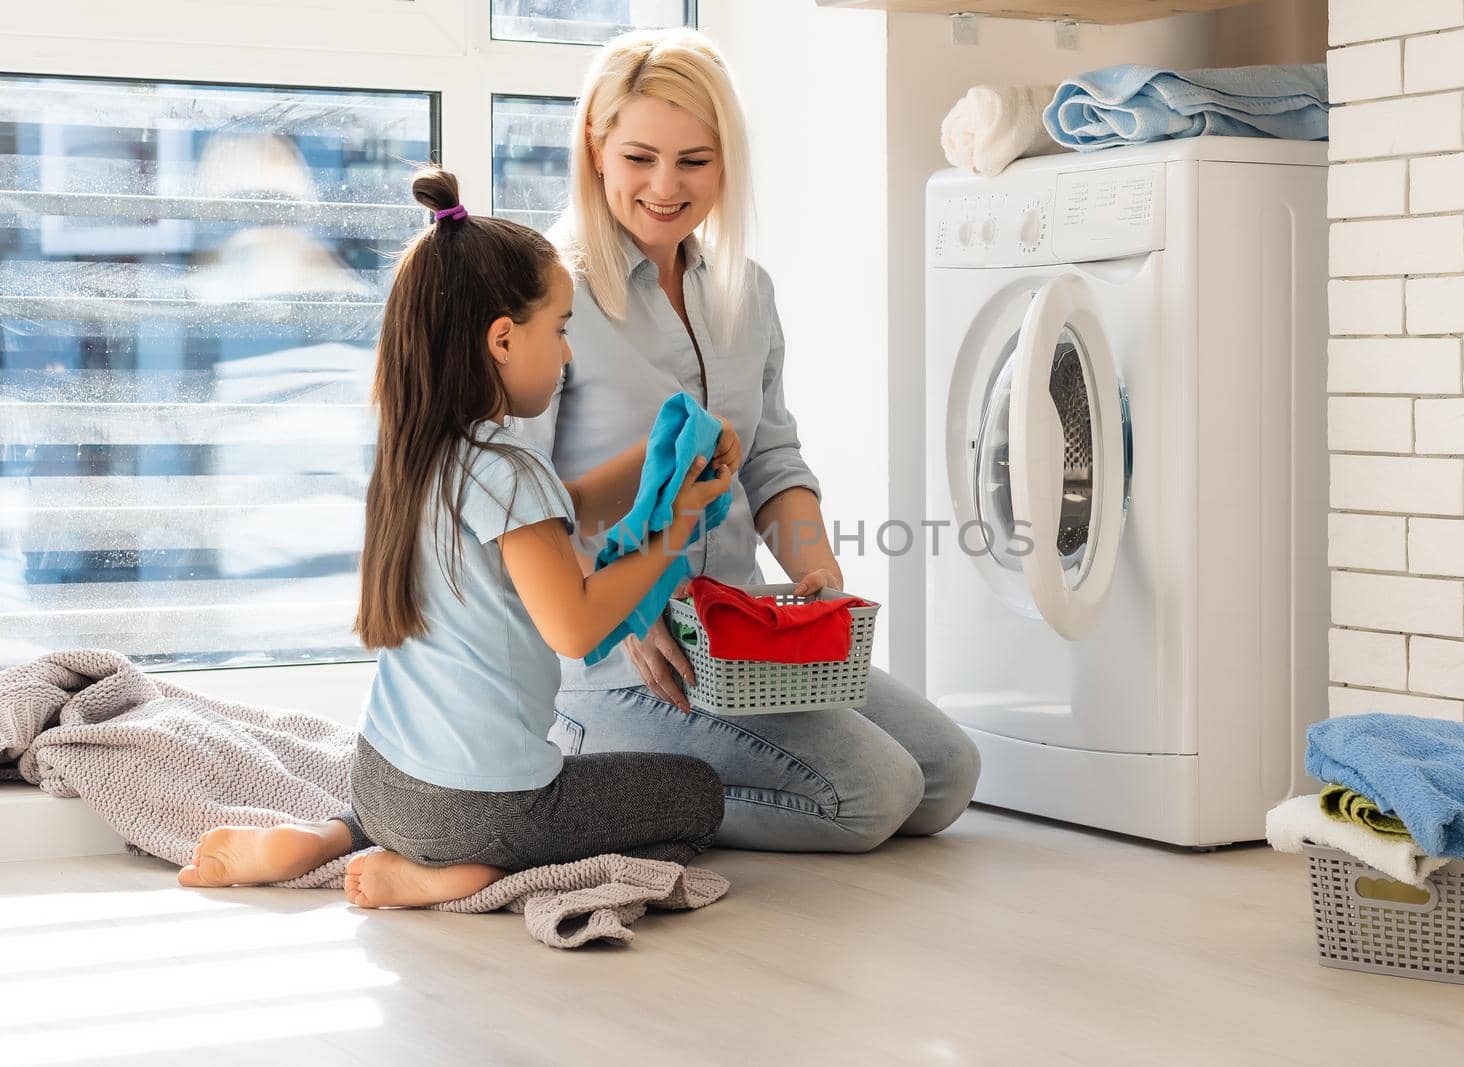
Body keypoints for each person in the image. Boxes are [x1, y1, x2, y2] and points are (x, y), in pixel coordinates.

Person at [178, 167, 739, 908]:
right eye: (561, 330)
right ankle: (461, 874)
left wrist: (660, 456)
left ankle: (333, 834)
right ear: (502, 339)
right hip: (487, 807)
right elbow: (574, 625)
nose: (567, 355)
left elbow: (556, 510)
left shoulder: (425, 453)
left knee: (428, 807)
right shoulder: (511, 469)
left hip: (378, 778)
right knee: (695, 795)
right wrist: (679, 527)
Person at [526, 28, 982, 853]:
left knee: (946, 773)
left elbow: (771, 456)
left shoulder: (746, 290)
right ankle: (591, 769)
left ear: (726, 161)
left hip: (738, 633)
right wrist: (624, 604)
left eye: (694, 161)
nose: (666, 186)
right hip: (617, 655)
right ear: (595, 147)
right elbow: (520, 499)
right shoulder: (548, 293)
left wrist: (816, 568)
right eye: (640, 157)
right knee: (872, 795)